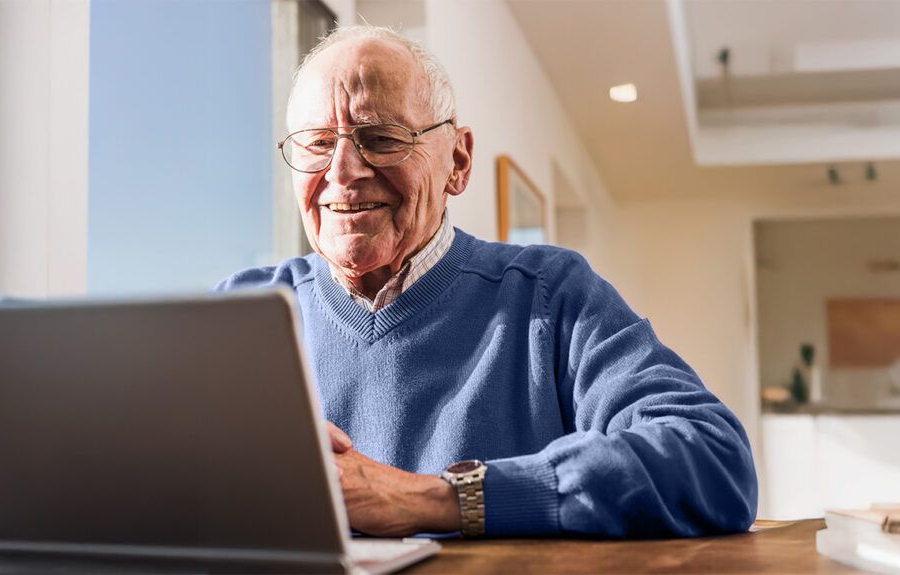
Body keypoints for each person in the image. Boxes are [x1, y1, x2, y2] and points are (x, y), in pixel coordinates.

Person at [215, 25, 758, 538]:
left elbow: (712, 459)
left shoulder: (550, 294)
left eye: (381, 138)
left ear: (458, 160)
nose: (342, 171)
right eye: (315, 143)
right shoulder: (243, 309)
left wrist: (432, 499)